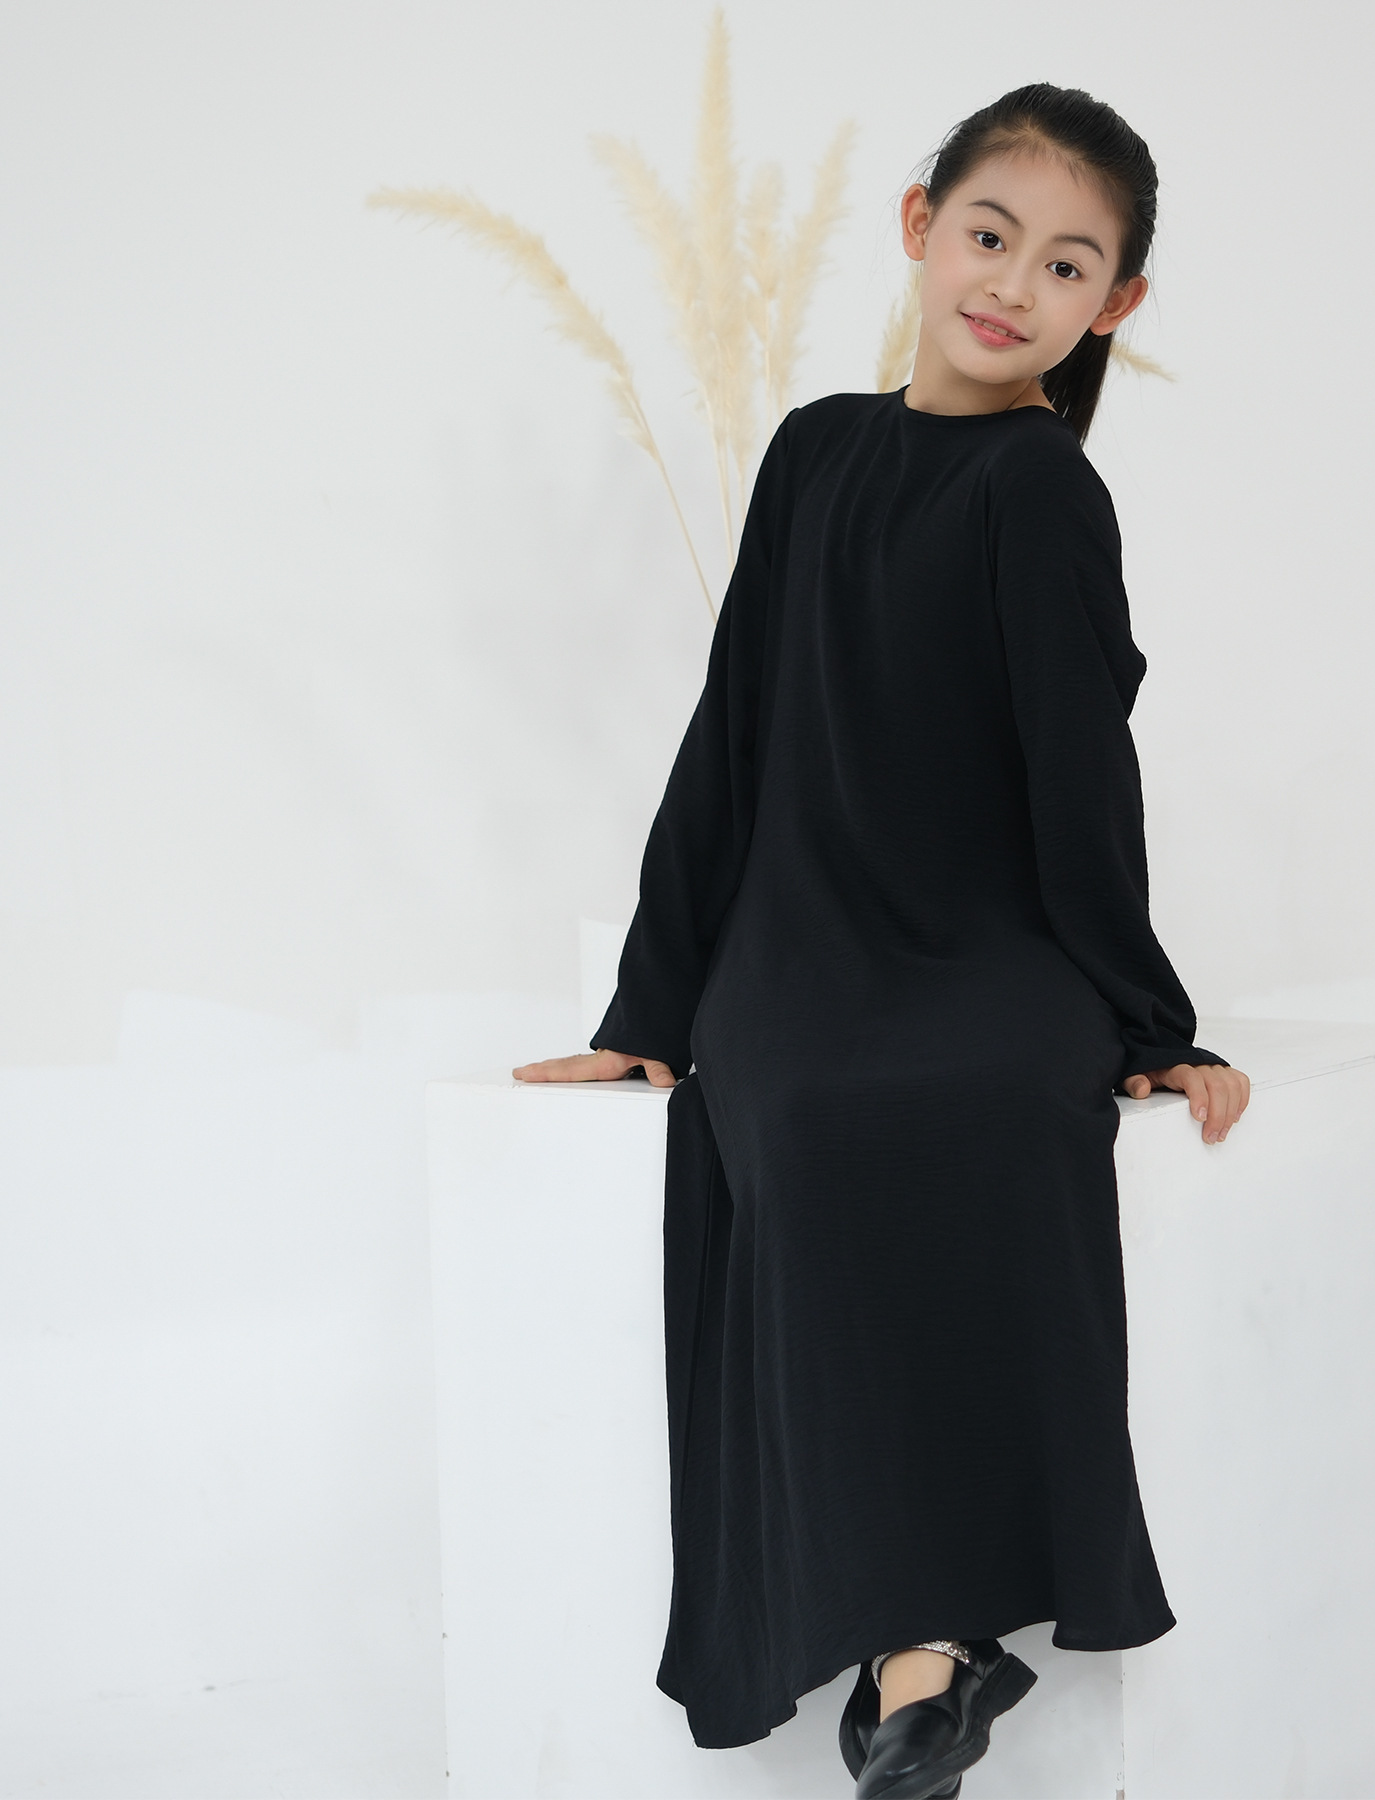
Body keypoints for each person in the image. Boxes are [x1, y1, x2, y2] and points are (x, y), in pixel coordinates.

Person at [515, 80, 1251, 1800]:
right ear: (921, 226)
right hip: (806, 941)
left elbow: (1080, 773)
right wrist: (654, 999)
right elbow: (734, 728)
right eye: (991, 235)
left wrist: (1149, 1020)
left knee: (973, 1110)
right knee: (801, 1116)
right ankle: (929, 1659)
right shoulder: (814, 453)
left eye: (1067, 266)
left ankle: (921, 1658)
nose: (1015, 285)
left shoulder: (1041, 489)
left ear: (1116, 306)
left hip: (992, 946)